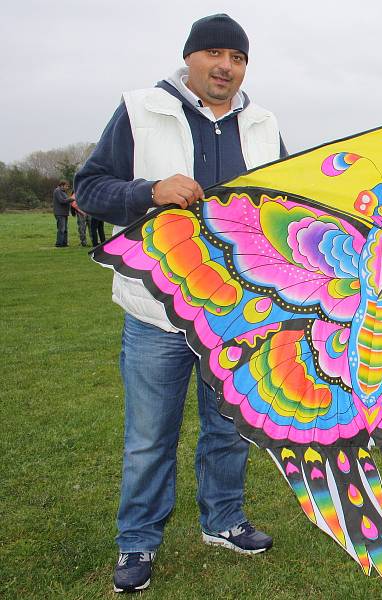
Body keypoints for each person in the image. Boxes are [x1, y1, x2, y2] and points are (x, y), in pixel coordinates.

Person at [74, 14, 287, 593]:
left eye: (237, 58)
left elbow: (291, 208)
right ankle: (137, 542)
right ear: (189, 57)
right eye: (214, 53)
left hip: (236, 314)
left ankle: (223, 521)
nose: (226, 67)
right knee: (149, 435)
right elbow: (90, 188)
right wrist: (149, 193)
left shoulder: (265, 123)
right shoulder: (142, 109)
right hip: (156, 311)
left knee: (228, 428)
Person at [52, 180, 71, 247]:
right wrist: (71, 199)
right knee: (61, 229)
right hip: (59, 213)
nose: (67, 187)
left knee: (65, 229)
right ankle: (59, 243)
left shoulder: (63, 192)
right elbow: (62, 201)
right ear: (62, 185)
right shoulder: (57, 191)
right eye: (66, 186)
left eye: (68, 186)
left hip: (64, 213)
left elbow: (66, 201)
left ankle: (64, 243)